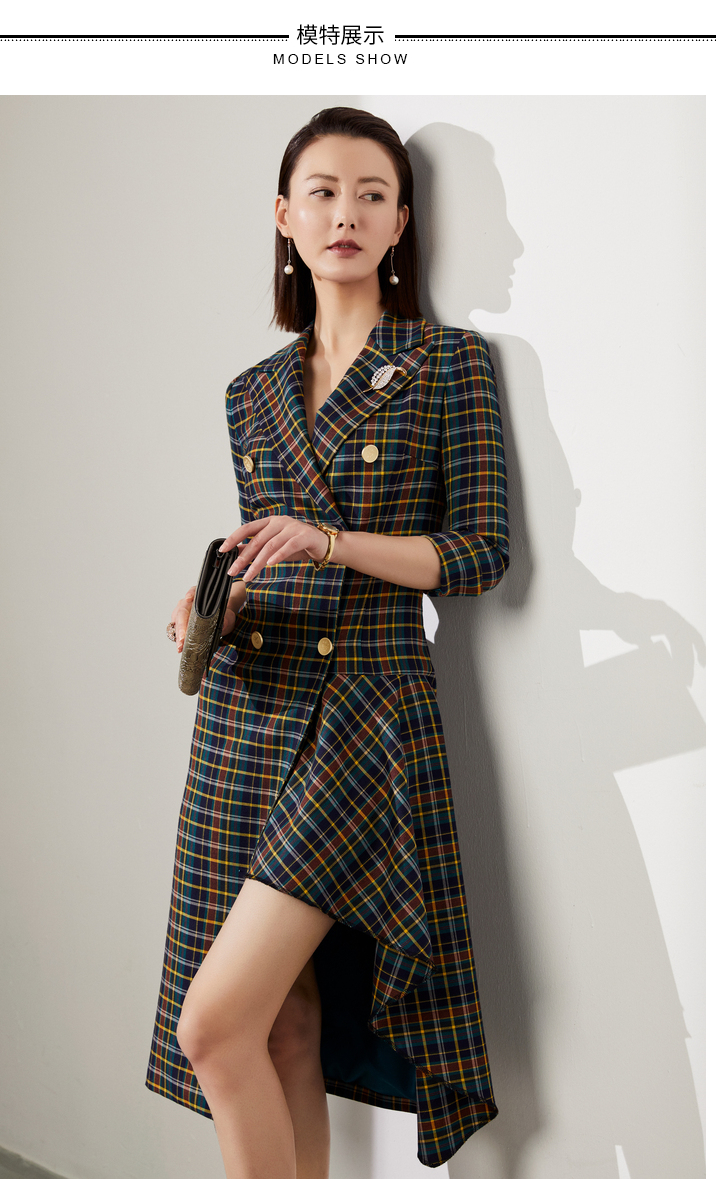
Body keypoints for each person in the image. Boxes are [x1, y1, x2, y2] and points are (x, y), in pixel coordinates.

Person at [146, 106, 509, 1177]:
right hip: (247, 720)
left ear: (401, 223)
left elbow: (480, 551)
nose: (345, 212)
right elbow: (269, 552)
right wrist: (213, 601)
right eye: (322, 192)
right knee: (278, 1028)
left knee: (211, 1026)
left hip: (366, 719)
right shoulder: (251, 394)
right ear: (284, 216)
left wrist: (332, 540)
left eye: (372, 194)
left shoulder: (447, 363)